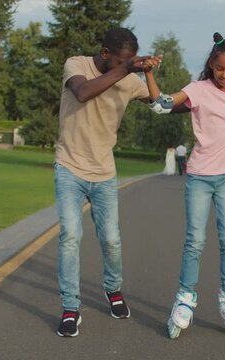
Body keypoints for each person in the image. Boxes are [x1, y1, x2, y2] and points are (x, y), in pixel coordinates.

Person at [144, 32, 225, 339]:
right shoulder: (198, 90)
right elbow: (161, 105)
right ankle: (185, 299)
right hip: (200, 176)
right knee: (195, 240)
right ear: (211, 64)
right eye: (220, 68)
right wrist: (148, 72)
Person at [54, 27, 155, 337]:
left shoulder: (128, 79)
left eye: (132, 60)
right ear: (106, 53)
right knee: (70, 236)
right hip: (69, 166)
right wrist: (127, 68)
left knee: (110, 239)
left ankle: (114, 291)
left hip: (104, 172)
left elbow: (159, 102)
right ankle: (70, 308)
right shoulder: (77, 64)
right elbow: (83, 92)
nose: (128, 65)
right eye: (123, 60)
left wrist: (203, 93)